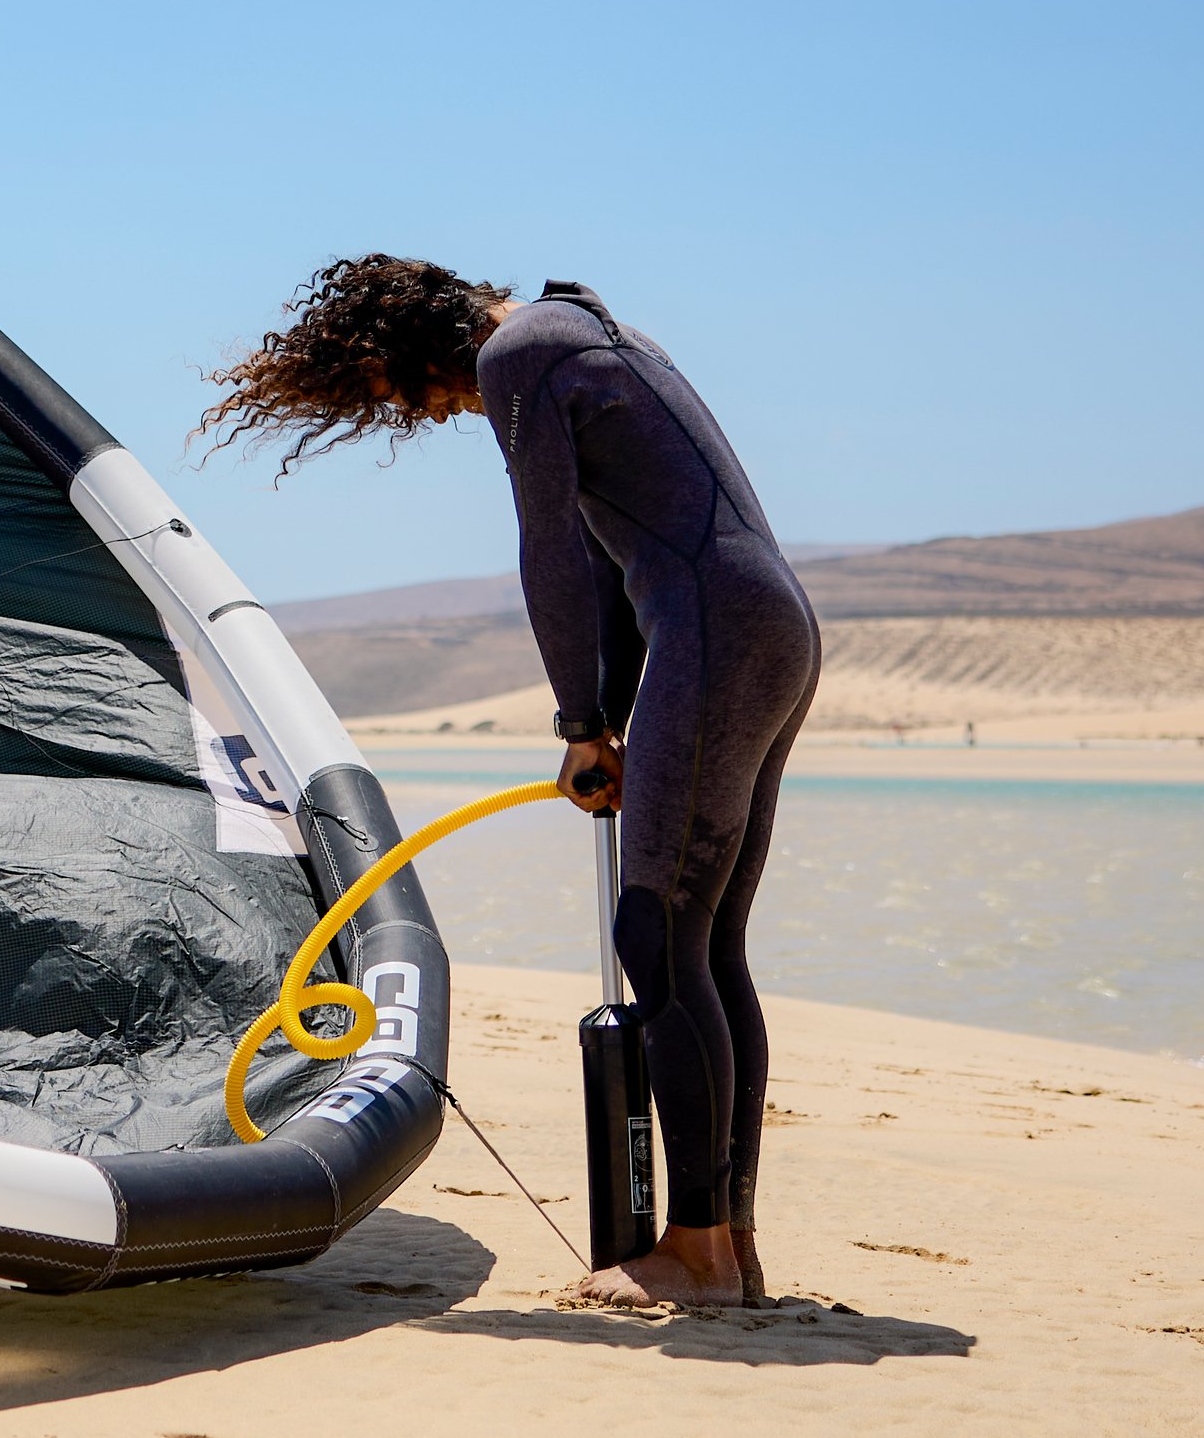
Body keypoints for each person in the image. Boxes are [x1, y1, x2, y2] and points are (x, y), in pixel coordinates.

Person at [205, 258, 820, 1309]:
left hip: (717, 632)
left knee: (658, 937)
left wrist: (580, 724)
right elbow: (624, 559)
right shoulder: (592, 335)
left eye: (405, 395)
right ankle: (730, 1246)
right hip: (759, 625)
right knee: (702, 943)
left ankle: (699, 1251)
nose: (433, 412)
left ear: (392, 350)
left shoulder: (519, 355)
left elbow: (553, 554)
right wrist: (620, 714)